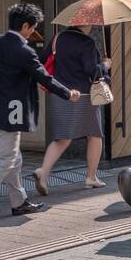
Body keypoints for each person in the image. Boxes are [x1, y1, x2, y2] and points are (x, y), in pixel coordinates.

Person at [0, 3, 80, 228]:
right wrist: (69, 94)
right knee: (5, 160)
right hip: (11, 114)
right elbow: (45, 78)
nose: (33, 33)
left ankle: (19, 202)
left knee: (14, 159)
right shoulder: (24, 51)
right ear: (25, 26)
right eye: (32, 28)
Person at [32, 26, 111, 196]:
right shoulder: (86, 42)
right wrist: (104, 65)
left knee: (62, 138)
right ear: (86, 24)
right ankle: (91, 177)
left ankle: (43, 173)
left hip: (59, 93)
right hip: (83, 95)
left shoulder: (58, 38)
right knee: (95, 135)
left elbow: (41, 60)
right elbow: (92, 71)